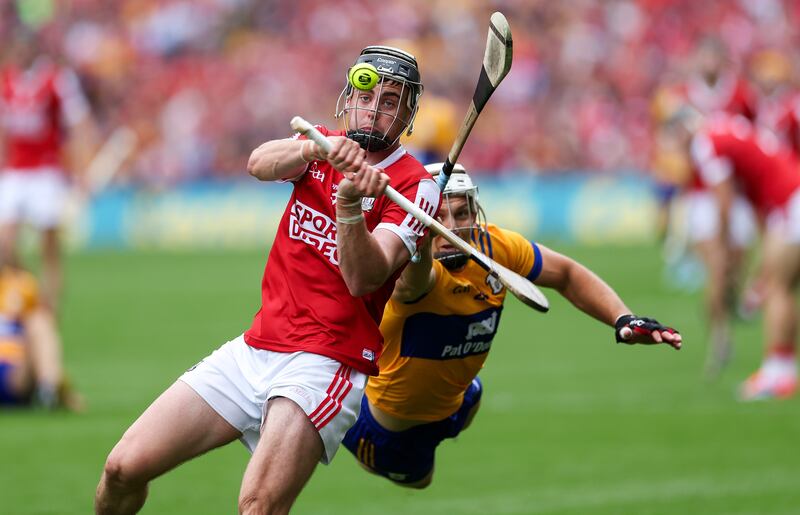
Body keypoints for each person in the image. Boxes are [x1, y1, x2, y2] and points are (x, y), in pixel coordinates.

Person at [94, 45, 441, 515]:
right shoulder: (323, 141)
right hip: (257, 347)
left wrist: (349, 203)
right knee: (122, 468)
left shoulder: (416, 187)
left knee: (258, 507)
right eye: (367, 94)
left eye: (391, 101)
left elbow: (364, 278)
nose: (374, 109)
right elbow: (258, 163)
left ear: (407, 114)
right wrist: (312, 148)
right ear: (349, 95)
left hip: (326, 362)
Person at [342, 163, 682, 488]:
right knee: (421, 480)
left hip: (454, 407)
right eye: (436, 217)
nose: (451, 228)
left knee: (473, 393)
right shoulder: (411, 271)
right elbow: (416, 277)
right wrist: (416, 234)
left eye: (461, 213)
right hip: (385, 430)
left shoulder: (495, 247)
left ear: (475, 213)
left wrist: (623, 318)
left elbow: (566, 274)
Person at [686, 112, 800, 400]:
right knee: (780, 284)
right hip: (788, 196)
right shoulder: (728, 127)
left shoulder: (705, 142)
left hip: (790, 200)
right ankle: (781, 368)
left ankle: (778, 373)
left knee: (779, 287)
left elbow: (723, 201)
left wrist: (723, 248)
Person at [0, 30, 96, 313]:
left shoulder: (56, 79)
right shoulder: (6, 81)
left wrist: (82, 167)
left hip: (46, 172)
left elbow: (79, 123)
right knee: (4, 243)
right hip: (15, 171)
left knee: (48, 247)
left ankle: (49, 310)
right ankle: (26, 293)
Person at [0, 249, 82, 411]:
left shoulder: (22, 284)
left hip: (16, 372)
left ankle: (48, 390)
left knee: (40, 321)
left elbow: (44, 334)